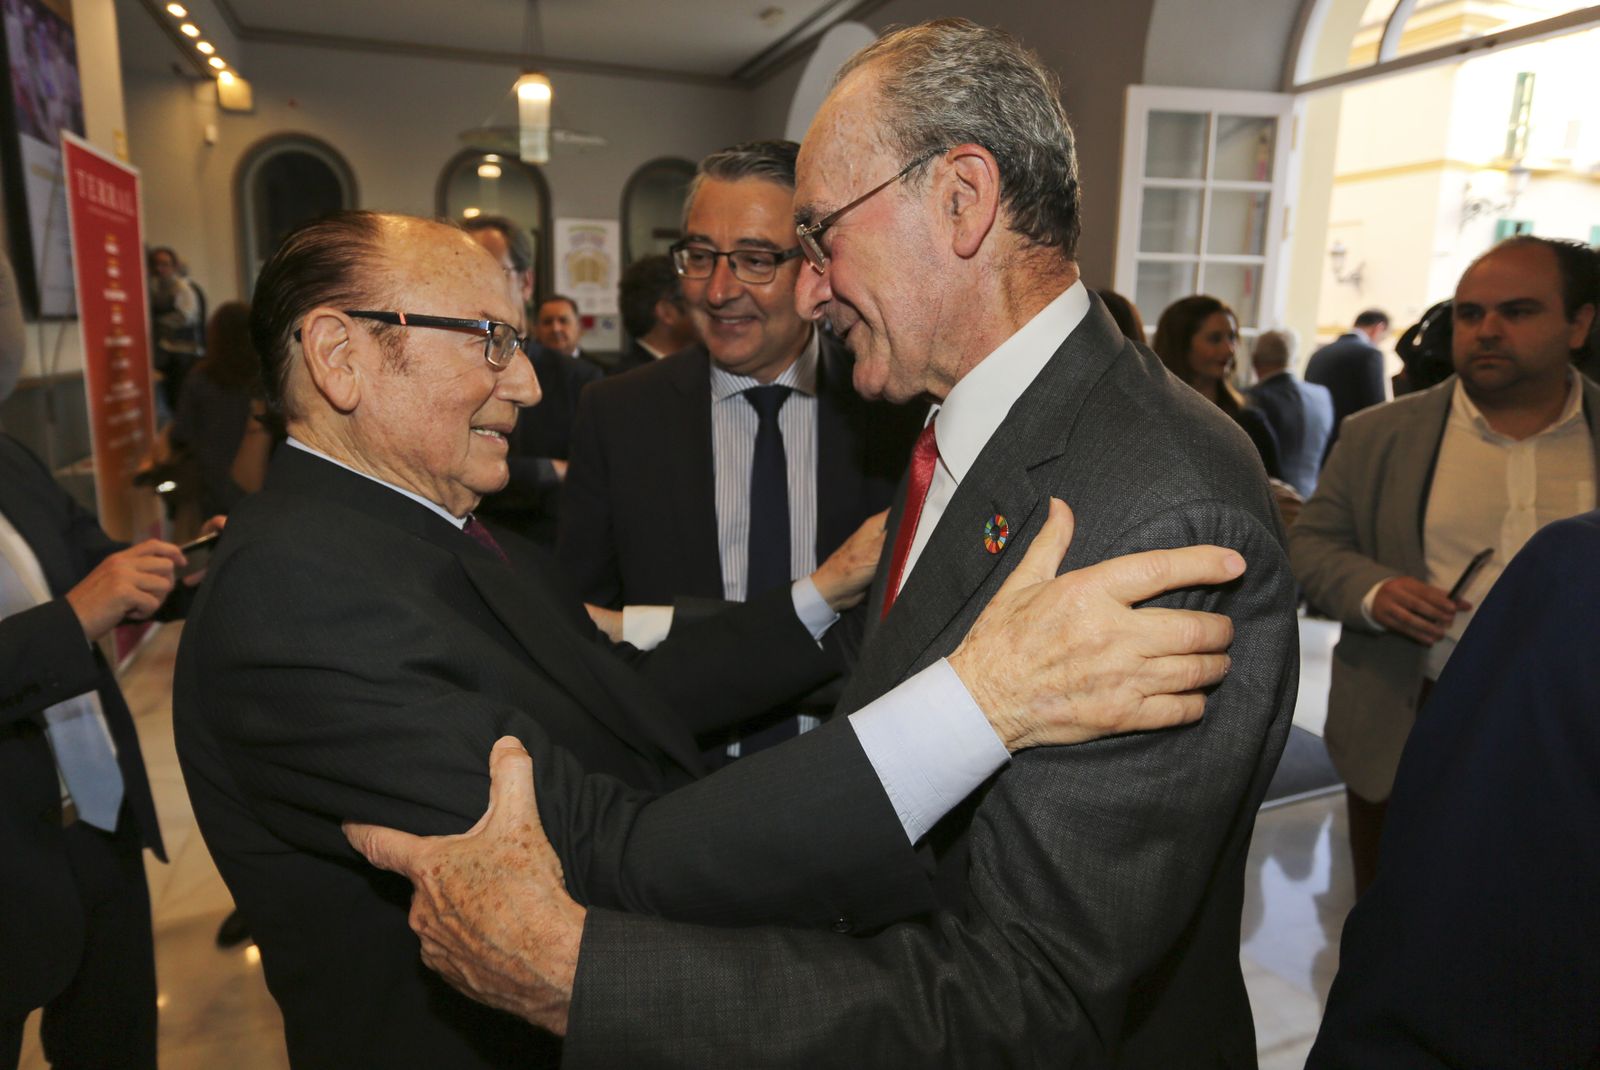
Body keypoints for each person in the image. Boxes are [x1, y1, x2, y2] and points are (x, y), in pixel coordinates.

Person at [348, 20, 1299, 1067]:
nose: (804, 290)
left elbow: (1032, 997)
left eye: (818, 236)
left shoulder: (1157, 502)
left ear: (962, 198)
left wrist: (593, 977)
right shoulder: (962, 426)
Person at [174, 208, 1241, 1070]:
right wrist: (980, 700)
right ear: (341, 355)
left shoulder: (425, 529)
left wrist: (818, 596)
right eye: (490, 340)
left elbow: (619, 693)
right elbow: (599, 857)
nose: (528, 382)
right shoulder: (294, 602)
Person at [557, 140, 924, 754]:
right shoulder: (618, 414)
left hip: (850, 773)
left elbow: (904, 649)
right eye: (700, 257)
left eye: (755, 260)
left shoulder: (893, 410)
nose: (718, 290)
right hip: (675, 777)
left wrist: (658, 631)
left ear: (815, 264)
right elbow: (581, 638)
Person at [1289, 235, 1599, 897]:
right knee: (1397, 922)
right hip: (1413, 718)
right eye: (1469, 313)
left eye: (1518, 311)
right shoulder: (1379, 434)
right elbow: (1311, 544)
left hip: (1576, 731)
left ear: (1579, 324)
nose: (1487, 330)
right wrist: (1375, 592)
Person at [1307, 508, 1600, 1067]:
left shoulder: (1579, 566)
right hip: (1421, 698)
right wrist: (1374, 592)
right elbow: (1315, 538)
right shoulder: (1578, 561)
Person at [1, 429, 219, 1070]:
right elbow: (79, 605)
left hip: (99, 817)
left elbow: (90, 563)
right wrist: (72, 617)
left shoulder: (9, 454)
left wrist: (188, 567)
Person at [463, 220, 600, 545]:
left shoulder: (579, 379)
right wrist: (547, 470)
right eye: (463, 273)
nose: (472, 285)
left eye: (493, 271)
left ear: (526, 282)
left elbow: (589, 477)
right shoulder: (451, 369)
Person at [1153, 294, 1283, 480]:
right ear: (1181, 345)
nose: (1229, 349)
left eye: (1232, 337)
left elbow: (1272, 487)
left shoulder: (1248, 422)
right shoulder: (1153, 414)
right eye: (1215, 339)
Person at [1248, 328, 1334, 498]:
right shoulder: (1322, 395)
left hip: (1267, 501)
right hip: (1311, 499)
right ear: (1295, 359)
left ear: (1254, 361)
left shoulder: (1250, 399)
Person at [1305, 307, 1389, 449]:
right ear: (1379, 329)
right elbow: (1377, 408)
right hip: (1350, 442)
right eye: (1383, 338)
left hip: (1316, 441)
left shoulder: (1319, 353)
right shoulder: (1370, 354)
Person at [611, 254, 696, 375]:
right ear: (667, 312)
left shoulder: (692, 369)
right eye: (697, 302)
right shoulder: (632, 380)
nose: (709, 313)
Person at [147, 246, 205, 414]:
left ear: (174, 266)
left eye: (165, 264)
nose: (160, 269)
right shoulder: (155, 290)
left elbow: (186, 316)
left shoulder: (182, 288)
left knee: (181, 400)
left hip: (183, 355)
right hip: (165, 354)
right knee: (170, 400)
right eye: (156, 264)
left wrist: (158, 322)